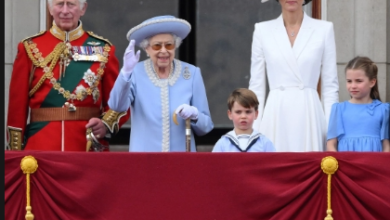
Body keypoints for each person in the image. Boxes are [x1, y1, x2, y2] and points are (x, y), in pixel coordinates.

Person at [6, 0, 130, 151]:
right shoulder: (30, 47)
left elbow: (119, 101)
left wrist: (105, 125)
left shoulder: (103, 49)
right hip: (40, 146)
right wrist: (16, 153)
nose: (65, 11)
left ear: (83, 9)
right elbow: (16, 108)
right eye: (60, 4)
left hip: (87, 146)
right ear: (50, 9)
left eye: (71, 4)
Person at [108, 15, 214, 152]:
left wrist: (195, 115)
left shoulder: (191, 73)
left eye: (169, 45)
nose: (163, 51)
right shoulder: (135, 73)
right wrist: (125, 73)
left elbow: (206, 127)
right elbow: (117, 106)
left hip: (181, 160)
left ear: (175, 46)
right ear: (147, 49)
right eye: (157, 46)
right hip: (144, 160)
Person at [248, 0, 339, 152]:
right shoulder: (262, 30)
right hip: (276, 114)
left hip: (309, 113)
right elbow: (256, 86)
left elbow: (330, 87)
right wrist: (253, 130)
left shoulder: (324, 29)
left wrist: (331, 134)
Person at [327, 56, 390, 152]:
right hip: (346, 163)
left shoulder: (383, 109)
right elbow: (331, 144)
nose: (353, 86)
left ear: (372, 82)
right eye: (349, 81)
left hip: (373, 164)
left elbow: (386, 145)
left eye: (358, 81)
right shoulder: (338, 109)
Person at [212, 88, 275, 152]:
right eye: (238, 112)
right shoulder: (222, 144)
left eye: (248, 112)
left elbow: (274, 162)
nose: (243, 116)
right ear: (230, 114)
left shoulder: (265, 143)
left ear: (256, 114)